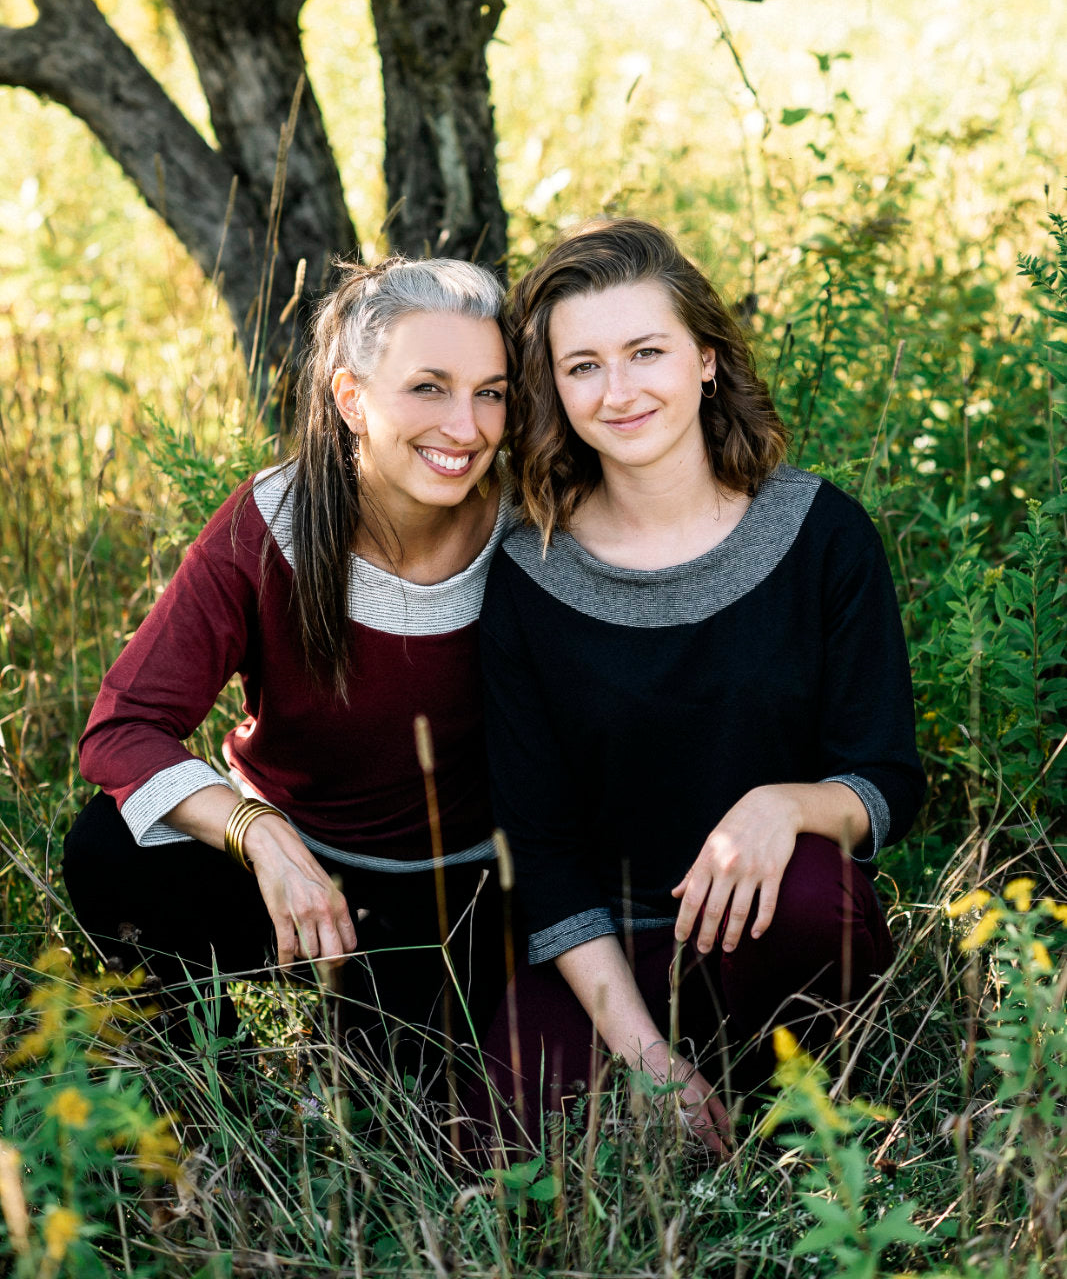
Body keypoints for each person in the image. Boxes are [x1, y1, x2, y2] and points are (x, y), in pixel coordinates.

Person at [481, 219, 925, 1149]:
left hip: (774, 927)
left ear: (707, 359)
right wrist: (642, 1053)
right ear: (552, 389)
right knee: (507, 1149)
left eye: (647, 352)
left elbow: (884, 777)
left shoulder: (820, 535)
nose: (620, 391)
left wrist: (787, 805)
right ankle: (672, 1091)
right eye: (584, 366)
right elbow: (543, 852)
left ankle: (793, 1110)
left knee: (812, 893)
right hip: (605, 955)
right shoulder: (526, 573)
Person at [63, 255, 513, 1067]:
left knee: (404, 1128)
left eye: (491, 392)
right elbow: (123, 727)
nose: (466, 426)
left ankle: (361, 1049)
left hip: (469, 893)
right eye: (428, 387)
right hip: (297, 869)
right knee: (108, 848)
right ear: (351, 398)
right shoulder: (270, 524)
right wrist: (257, 832)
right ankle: (210, 1090)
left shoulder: (533, 530)